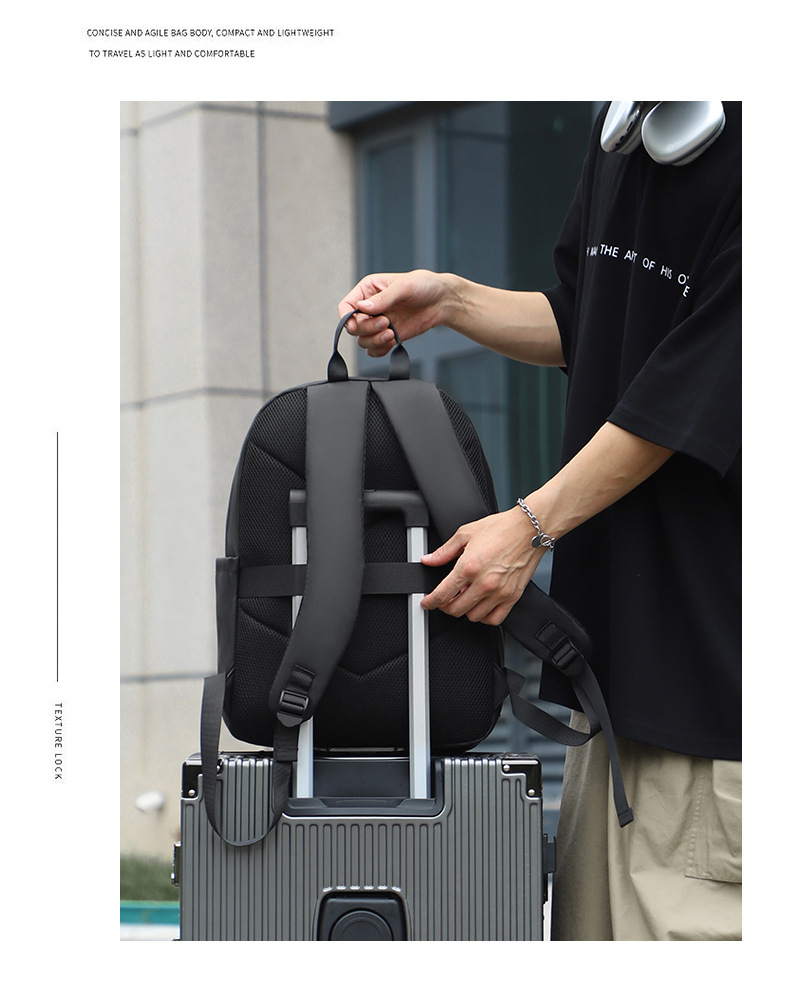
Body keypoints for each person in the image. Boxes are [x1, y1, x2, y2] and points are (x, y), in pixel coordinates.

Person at [338, 101, 741, 941]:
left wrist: (529, 526)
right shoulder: (622, 133)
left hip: (719, 705)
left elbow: (693, 394)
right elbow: (582, 320)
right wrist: (450, 299)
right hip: (612, 694)